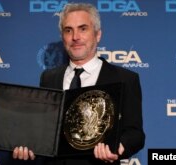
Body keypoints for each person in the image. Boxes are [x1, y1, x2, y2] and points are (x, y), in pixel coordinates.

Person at [13, 2, 145, 165]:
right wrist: (29, 146)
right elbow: (44, 131)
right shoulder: (49, 78)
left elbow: (135, 134)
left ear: (98, 35)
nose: (75, 37)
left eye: (83, 29)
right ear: (63, 37)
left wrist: (118, 147)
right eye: (68, 30)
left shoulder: (125, 78)